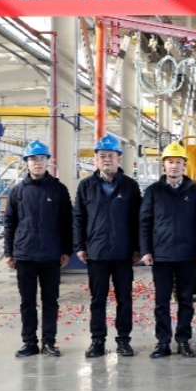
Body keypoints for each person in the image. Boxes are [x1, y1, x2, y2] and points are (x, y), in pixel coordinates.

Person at [74, 134, 142, 358]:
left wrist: (137, 248)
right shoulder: (86, 186)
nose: (106, 160)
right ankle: (97, 341)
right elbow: (79, 218)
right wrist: (80, 246)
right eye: (102, 156)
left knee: (124, 298)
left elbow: (138, 219)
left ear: (119, 159)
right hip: (97, 252)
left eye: (111, 156)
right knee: (98, 299)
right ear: (96, 159)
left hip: (123, 253)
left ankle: (123, 340)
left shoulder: (130, 187)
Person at [3, 139, 73, 358]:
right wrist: (8, 252)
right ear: (27, 162)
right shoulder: (17, 192)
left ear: (47, 162)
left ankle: (49, 342)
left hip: (50, 254)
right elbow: (10, 223)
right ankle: (29, 342)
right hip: (25, 254)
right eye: (33, 159)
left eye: (41, 158)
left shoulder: (59, 189)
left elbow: (66, 222)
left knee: (50, 300)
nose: (37, 163)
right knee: (27, 301)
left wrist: (66, 250)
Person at [139, 142, 196, 359]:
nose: (174, 166)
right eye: (170, 162)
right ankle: (163, 342)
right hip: (161, 255)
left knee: (186, 300)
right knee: (162, 301)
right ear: (164, 166)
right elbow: (145, 222)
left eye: (179, 162)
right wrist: (146, 250)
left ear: (185, 166)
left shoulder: (195, 192)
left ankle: (184, 340)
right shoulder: (153, 192)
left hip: (187, 255)